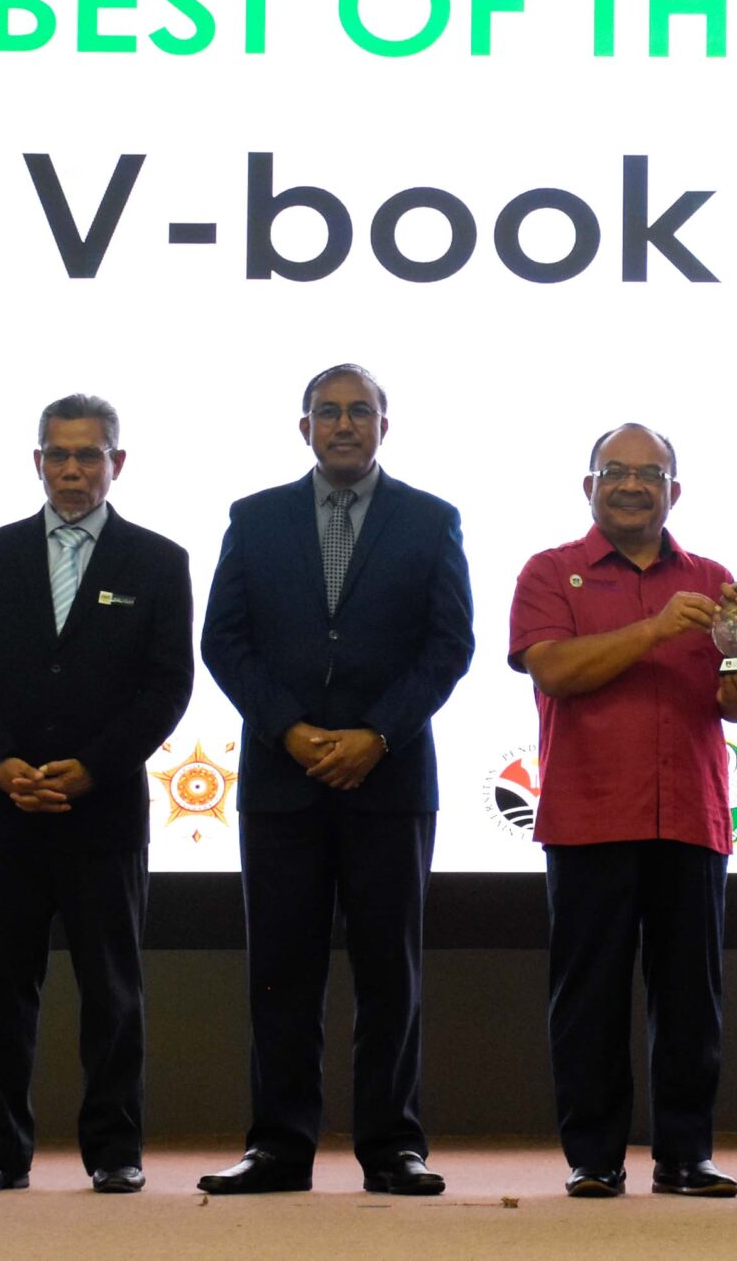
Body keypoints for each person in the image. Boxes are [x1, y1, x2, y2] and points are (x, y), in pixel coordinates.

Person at [197, 363, 474, 1197]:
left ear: (385, 425)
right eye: (328, 412)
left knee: (391, 973)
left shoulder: (431, 520)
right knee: (281, 972)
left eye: (360, 412)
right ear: (305, 427)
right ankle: (279, 1148)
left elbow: (449, 645)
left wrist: (377, 735)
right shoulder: (254, 517)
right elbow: (224, 640)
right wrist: (288, 728)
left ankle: (393, 1147)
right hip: (281, 781)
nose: (344, 424)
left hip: (389, 781)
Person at [0, 393, 195, 1196]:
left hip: (102, 813)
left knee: (112, 992)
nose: (73, 470)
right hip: (1, 812)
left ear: (118, 463)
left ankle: (115, 1150)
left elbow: (167, 688)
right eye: (59, 454)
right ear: (37, 461)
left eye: (89, 455)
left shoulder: (158, 561)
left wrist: (93, 768)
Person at [508, 425, 737, 1199]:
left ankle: (687, 1155)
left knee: (691, 997)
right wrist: (655, 629)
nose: (631, 485)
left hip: (691, 813)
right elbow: (554, 670)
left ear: (673, 491)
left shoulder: (715, 580)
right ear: (588, 486)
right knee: (588, 995)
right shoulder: (550, 572)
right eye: (614, 472)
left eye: (649, 474)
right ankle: (593, 1157)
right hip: (588, 814)